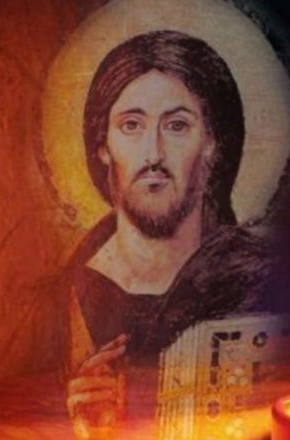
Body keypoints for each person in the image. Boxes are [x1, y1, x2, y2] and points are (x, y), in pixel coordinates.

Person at [60, 30, 273, 437]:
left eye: (176, 126)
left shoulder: (257, 277)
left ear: (212, 144)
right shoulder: (66, 296)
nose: (153, 154)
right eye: (131, 125)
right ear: (102, 145)